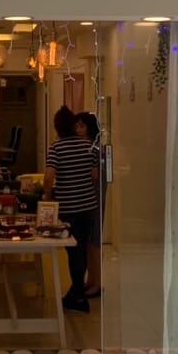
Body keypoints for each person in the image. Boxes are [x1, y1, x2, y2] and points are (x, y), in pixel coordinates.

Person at [44, 105, 98, 314]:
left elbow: (49, 177)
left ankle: (78, 296)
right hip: (88, 206)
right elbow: (94, 175)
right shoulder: (88, 145)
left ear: (58, 127)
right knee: (81, 248)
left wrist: (48, 198)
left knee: (73, 251)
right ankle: (76, 292)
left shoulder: (56, 148)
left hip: (69, 207)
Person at [75, 111, 103, 298]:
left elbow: (95, 176)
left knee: (93, 244)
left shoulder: (94, 149)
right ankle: (91, 280)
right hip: (88, 201)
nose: (78, 130)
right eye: (77, 126)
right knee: (88, 244)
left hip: (94, 201)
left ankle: (97, 283)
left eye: (82, 126)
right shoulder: (88, 148)